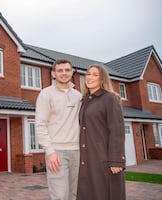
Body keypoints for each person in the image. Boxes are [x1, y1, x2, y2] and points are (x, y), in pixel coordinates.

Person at [77, 64, 126, 200]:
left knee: (105, 193)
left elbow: (117, 130)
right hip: (88, 157)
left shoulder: (109, 99)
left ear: (102, 79)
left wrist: (117, 160)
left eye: (95, 74)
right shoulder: (85, 100)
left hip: (104, 158)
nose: (90, 77)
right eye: (88, 74)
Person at [35, 59, 82, 200]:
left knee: (75, 194)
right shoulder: (46, 94)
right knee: (60, 195)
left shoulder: (78, 96)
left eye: (67, 70)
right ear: (53, 74)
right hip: (57, 152)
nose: (64, 73)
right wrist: (50, 151)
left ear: (72, 72)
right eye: (60, 70)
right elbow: (40, 124)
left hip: (78, 151)